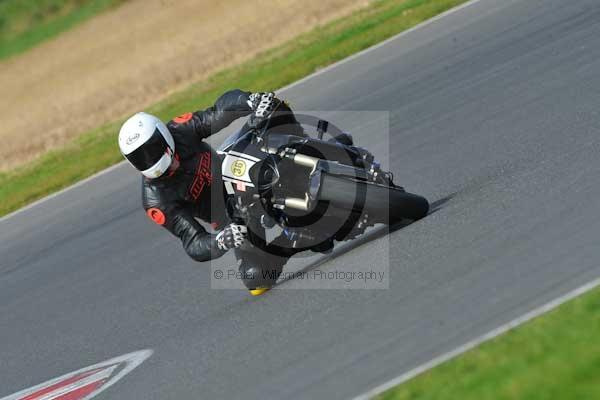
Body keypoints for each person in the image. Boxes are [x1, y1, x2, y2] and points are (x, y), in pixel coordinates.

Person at [118, 90, 302, 295]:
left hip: (232, 168)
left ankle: (310, 148)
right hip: (231, 216)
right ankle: (293, 236)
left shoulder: (180, 130)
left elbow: (218, 112)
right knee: (256, 278)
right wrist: (221, 241)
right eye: (141, 157)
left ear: (163, 136)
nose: (167, 169)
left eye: (155, 151)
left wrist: (250, 101)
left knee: (271, 107)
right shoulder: (156, 201)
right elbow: (193, 242)